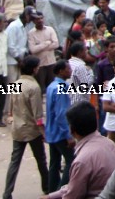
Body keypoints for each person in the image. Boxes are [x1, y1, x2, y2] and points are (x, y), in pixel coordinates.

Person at [43, 102, 115, 199]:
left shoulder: (82, 160)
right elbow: (75, 186)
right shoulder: (110, 144)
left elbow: (72, 195)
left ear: (71, 130)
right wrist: (51, 196)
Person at [2, 55, 46, 199]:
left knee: (15, 161)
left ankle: (7, 192)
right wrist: (43, 132)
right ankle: (47, 187)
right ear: (34, 69)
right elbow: (37, 115)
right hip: (32, 129)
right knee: (41, 160)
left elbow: (11, 108)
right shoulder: (34, 87)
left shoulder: (16, 83)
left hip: (17, 128)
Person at [45, 60, 75, 192]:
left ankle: (52, 190)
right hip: (60, 132)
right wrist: (68, 135)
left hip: (52, 131)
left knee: (54, 163)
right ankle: (60, 190)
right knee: (71, 161)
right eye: (68, 69)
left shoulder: (52, 86)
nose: (70, 71)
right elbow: (61, 114)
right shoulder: (61, 88)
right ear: (61, 71)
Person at [28, 9, 60, 91]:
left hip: (51, 62)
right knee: (40, 88)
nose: (40, 20)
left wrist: (40, 46)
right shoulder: (31, 33)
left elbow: (56, 44)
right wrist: (46, 43)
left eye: (41, 18)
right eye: (37, 19)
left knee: (53, 87)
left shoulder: (50, 29)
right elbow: (33, 50)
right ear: (34, 21)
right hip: (40, 65)